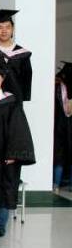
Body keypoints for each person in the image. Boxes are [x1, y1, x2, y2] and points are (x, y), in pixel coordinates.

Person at [0, 64, 36, 237]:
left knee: (4, 186)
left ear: (2, 80)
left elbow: (19, 129)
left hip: (5, 153)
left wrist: (14, 154)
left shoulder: (11, 101)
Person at [0, 9, 32, 102]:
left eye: (8, 27)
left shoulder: (22, 53)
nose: (4, 31)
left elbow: (27, 77)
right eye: (0, 27)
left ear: (13, 28)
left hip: (15, 99)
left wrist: (24, 98)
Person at [54, 62, 72, 192]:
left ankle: (57, 183)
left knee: (59, 155)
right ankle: (58, 183)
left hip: (59, 125)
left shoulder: (57, 88)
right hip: (61, 125)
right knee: (60, 155)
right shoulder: (57, 88)